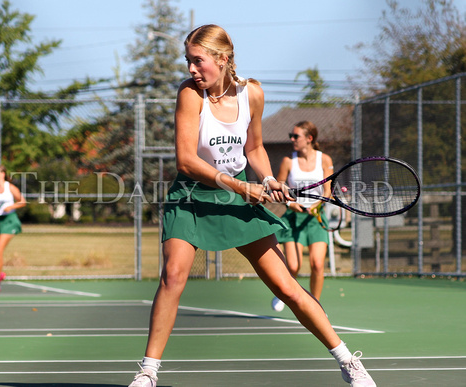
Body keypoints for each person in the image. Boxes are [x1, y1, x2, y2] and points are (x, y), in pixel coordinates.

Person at [128, 25, 375, 387]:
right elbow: (186, 160)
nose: (191, 70)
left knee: (287, 287)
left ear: (222, 59)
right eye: (188, 61)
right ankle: (148, 372)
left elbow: (255, 149)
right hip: (192, 198)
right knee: (173, 276)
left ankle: (348, 362)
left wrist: (270, 180)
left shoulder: (252, 94)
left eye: (198, 61)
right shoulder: (189, 95)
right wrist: (243, 186)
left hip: (238, 198)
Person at [272, 121, 333, 312]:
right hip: (293, 218)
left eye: (295, 136)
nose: (292, 139)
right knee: (293, 266)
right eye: (291, 135)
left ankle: (316, 306)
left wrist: (318, 205)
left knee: (317, 264)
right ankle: (282, 292)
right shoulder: (288, 162)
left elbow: (328, 191)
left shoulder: (325, 160)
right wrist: (291, 203)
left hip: (316, 218)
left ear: (309, 138)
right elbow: (278, 190)